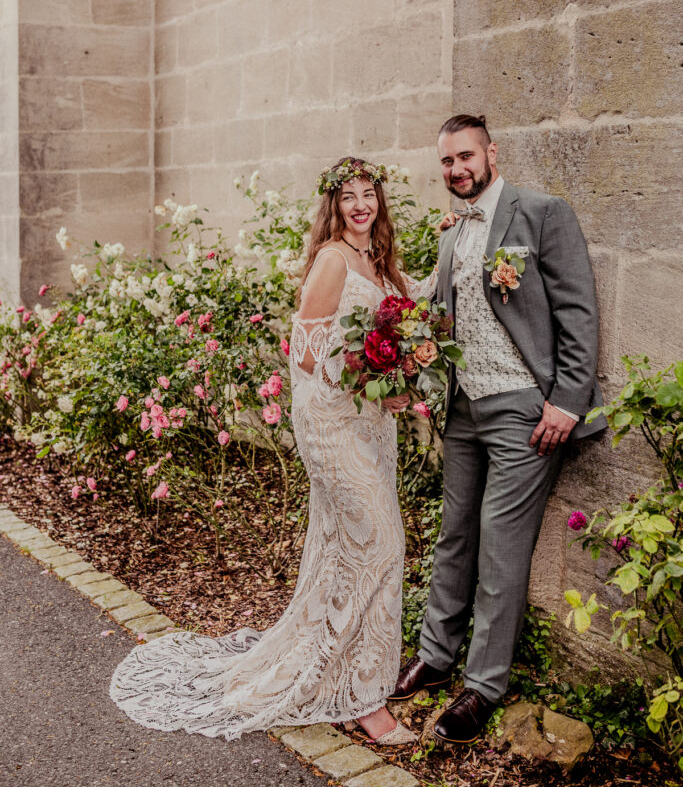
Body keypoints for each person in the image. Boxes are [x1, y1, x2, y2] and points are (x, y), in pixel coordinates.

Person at [110, 157, 436, 747]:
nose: (360, 205)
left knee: (351, 551)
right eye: (349, 196)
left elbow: (409, 309)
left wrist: (450, 246)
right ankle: (365, 699)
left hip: (371, 426)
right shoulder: (333, 259)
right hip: (332, 426)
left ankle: (341, 677)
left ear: (379, 201)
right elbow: (305, 353)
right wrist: (372, 380)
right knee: (382, 545)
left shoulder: (379, 259)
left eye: (369, 194)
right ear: (334, 205)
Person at [389, 114, 606, 745]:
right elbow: (441, 316)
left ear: (491, 153)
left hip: (525, 411)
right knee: (454, 536)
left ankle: (483, 687)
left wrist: (567, 401)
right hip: (464, 408)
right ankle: (435, 655)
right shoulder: (452, 231)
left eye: (466, 156)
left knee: (500, 547)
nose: (457, 169)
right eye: (446, 161)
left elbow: (578, 311)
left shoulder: (541, 212)